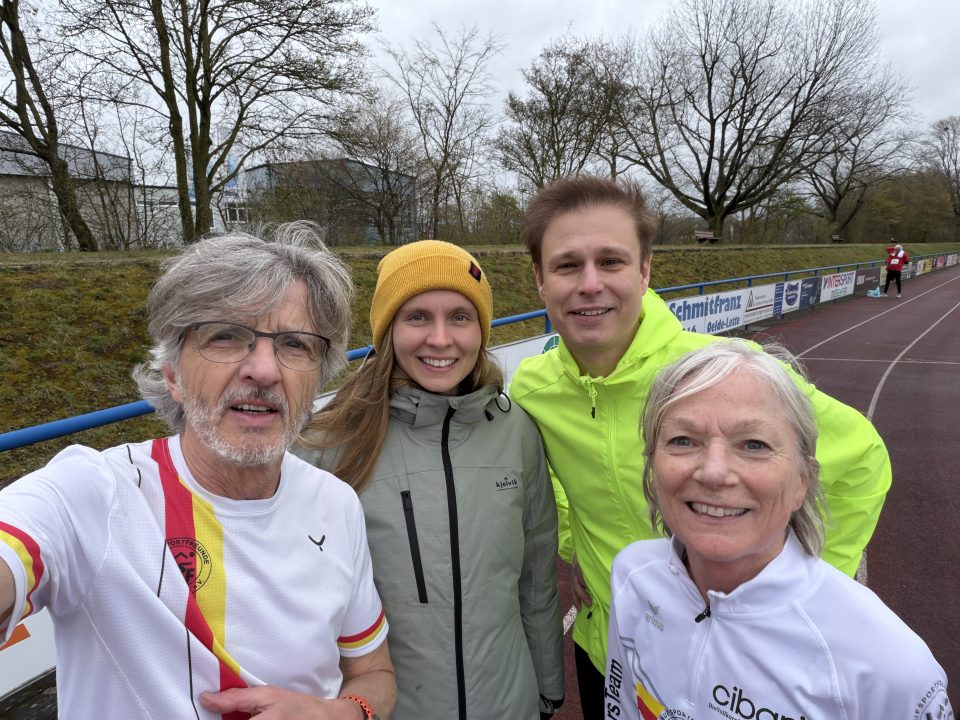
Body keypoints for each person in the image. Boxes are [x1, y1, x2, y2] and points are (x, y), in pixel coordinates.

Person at [508, 175, 892, 717]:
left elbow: (863, 458)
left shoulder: (723, 373)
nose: (590, 284)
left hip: (736, 663)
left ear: (644, 271)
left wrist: (803, 587)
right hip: (610, 648)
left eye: (612, 262)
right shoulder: (532, 389)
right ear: (540, 280)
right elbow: (552, 481)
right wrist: (582, 554)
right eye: (567, 265)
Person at [0, 224, 396, 720]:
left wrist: (342, 714)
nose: (264, 370)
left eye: (295, 345)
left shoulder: (336, 503)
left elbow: (373, 673)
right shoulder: (95, 494)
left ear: (318, 378)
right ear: (173, 376)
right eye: (225, 336)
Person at [605, 340, 951, 719]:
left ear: (803, 480)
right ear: (652, 468)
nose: (714, 472)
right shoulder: (632, 575)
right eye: (683, 440)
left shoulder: (889, 666)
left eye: (754, 445)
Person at [297, 240, 564, 720]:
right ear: (388, 330)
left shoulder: (517, 432)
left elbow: (536, 580)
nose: (440, 340)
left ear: (480, 329)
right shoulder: (325, 445)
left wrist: (548, 689)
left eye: (460, 317)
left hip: (511, 704)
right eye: (417, 316)